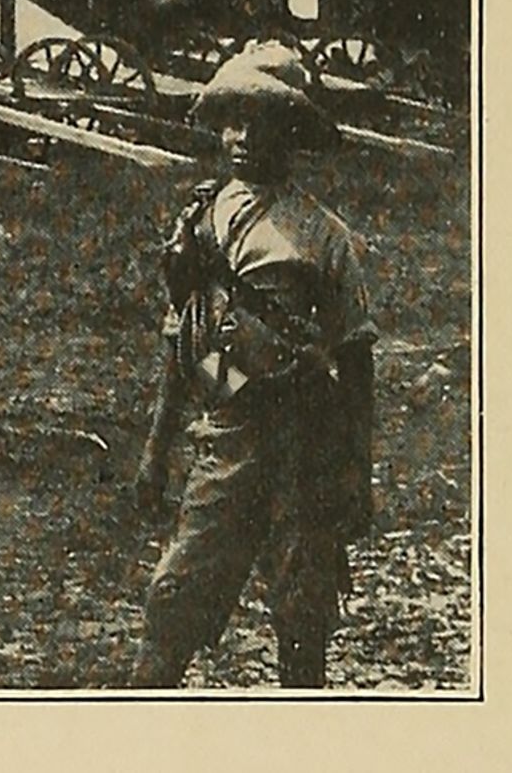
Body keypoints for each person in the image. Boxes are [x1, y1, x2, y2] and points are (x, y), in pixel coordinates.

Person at [128, 42, 377, 688]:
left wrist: (358, 468)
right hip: (227, 437)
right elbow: (183, 344)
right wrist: (157, 449)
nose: (240, 137)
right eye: (231, 120)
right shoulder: (199, 222)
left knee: (302, 612)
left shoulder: (322, 236)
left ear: (289, 129)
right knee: (173, 602)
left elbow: (356, 360)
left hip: (303, 444)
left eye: (259, 121)